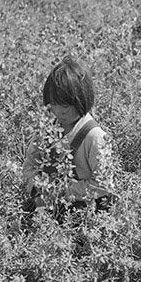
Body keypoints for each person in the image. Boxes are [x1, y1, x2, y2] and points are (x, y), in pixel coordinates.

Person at [22, 56, 113, 214]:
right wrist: (38, 191)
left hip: (84, 213)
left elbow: (104, 184)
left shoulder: (95, 137)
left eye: (64, 106)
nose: (58, 112)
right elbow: (28, 167)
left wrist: (61, 192)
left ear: (81, 99)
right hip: (47, 206)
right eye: (53, 105)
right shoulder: (46, 130)